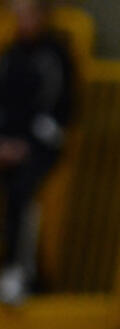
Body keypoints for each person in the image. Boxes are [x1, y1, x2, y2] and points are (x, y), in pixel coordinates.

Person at [0, 0, 75, 305]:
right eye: (16, 14)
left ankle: (21, 274)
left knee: (23, 191)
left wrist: (27, 145)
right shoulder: (9, 56)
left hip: (41, 148)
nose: (22, 21)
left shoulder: (55, 56)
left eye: (27, 14)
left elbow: (58, 110)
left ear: (43, 16)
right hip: (6, 145)